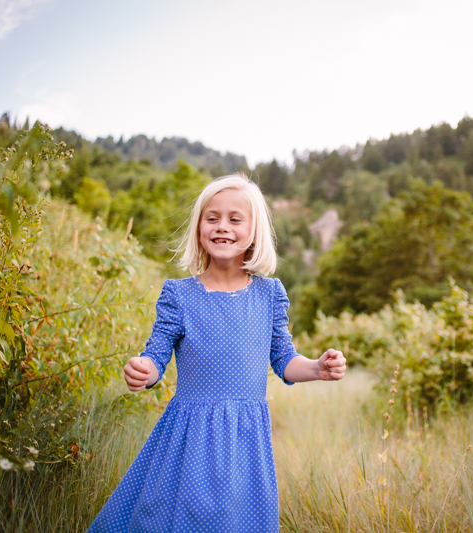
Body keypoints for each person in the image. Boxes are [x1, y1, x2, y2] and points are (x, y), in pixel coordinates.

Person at [86, 173, 346, 533]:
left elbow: (285, 360)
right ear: (198, 229)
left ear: (254, 232)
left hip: (246, 440)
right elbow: (156, 353)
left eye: (235, 219)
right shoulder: (179, 296)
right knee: (173, 517)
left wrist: (317, 367)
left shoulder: (269, 295)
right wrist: (144, 369)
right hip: (188, 435)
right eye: (212, 218)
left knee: (238, 521)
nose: (222, 227)